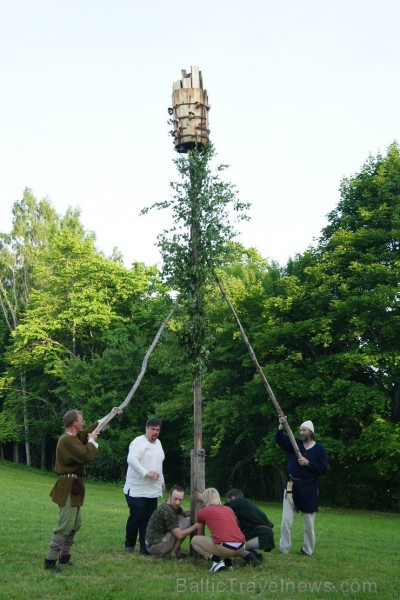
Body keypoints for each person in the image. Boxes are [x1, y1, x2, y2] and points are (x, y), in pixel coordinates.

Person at [44, 409, 100, 572]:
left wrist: (108, 417)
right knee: (65, 524)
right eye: (81, 420)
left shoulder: (73, 438)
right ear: (74, 423)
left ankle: (64, 558)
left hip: (74, 485)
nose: (83, 423)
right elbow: (85, 455)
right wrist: (92, 441)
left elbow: (88, 431)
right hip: (67, 485)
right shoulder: (67, 440)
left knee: (75, 524)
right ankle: (49, 561)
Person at [275, 416, 328, 556]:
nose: (301, 432)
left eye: (303, 430)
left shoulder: (319, 449)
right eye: (300, 430)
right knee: (286, 522)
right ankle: (284, 549)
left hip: (309, 488)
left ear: (310, 432)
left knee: (309, 525)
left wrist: (308, 463)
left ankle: (307, 550)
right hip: (292, 486)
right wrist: (281, 426)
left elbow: (323, 469)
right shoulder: (295, 444)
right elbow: (279, 439)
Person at [191, 488, 259, 572]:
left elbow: (200, 534)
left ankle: (216, 560)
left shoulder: (202, 512)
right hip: (242, 547)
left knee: (195, 540)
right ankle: (228, 562)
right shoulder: (229, 509)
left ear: (204, 498)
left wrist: (207, 549)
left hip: (226, 549)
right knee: (221, 537)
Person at [123, 418, 165, 555]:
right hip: (136, 489)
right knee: (136, 518)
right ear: (146, 429)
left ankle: (144, 547)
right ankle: (129, 545)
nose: (155, 432)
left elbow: (159, 465)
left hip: (152, 490)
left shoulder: (158, 443)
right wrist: (146, 473)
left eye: (157, 430)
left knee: (148, 520)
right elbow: (131, 460)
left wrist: (162, 482)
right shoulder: (138, 442)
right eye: (153, 429)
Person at [145, 485, 199, 557]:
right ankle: (174, 553)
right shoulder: (167, 510)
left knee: (180, 517)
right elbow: (179, 535)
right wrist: (196, 526)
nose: (177, 502)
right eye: (175, 499)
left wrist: (202, 512)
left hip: (151, 544)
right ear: (170, 496)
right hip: (155, 547)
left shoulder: (173, 506)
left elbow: (185, 514)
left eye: (180, 500)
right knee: (186, 523)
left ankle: (174, 552)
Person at [225, 488, 275, 561]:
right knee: (242, 536)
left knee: (230, 544)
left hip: (261, 534)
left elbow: (222, 509)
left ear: (233, 498)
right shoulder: (244, 507)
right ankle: (257, 555)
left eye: (228, 501)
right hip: (265, 534)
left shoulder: (238, 501)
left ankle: (252, 560)